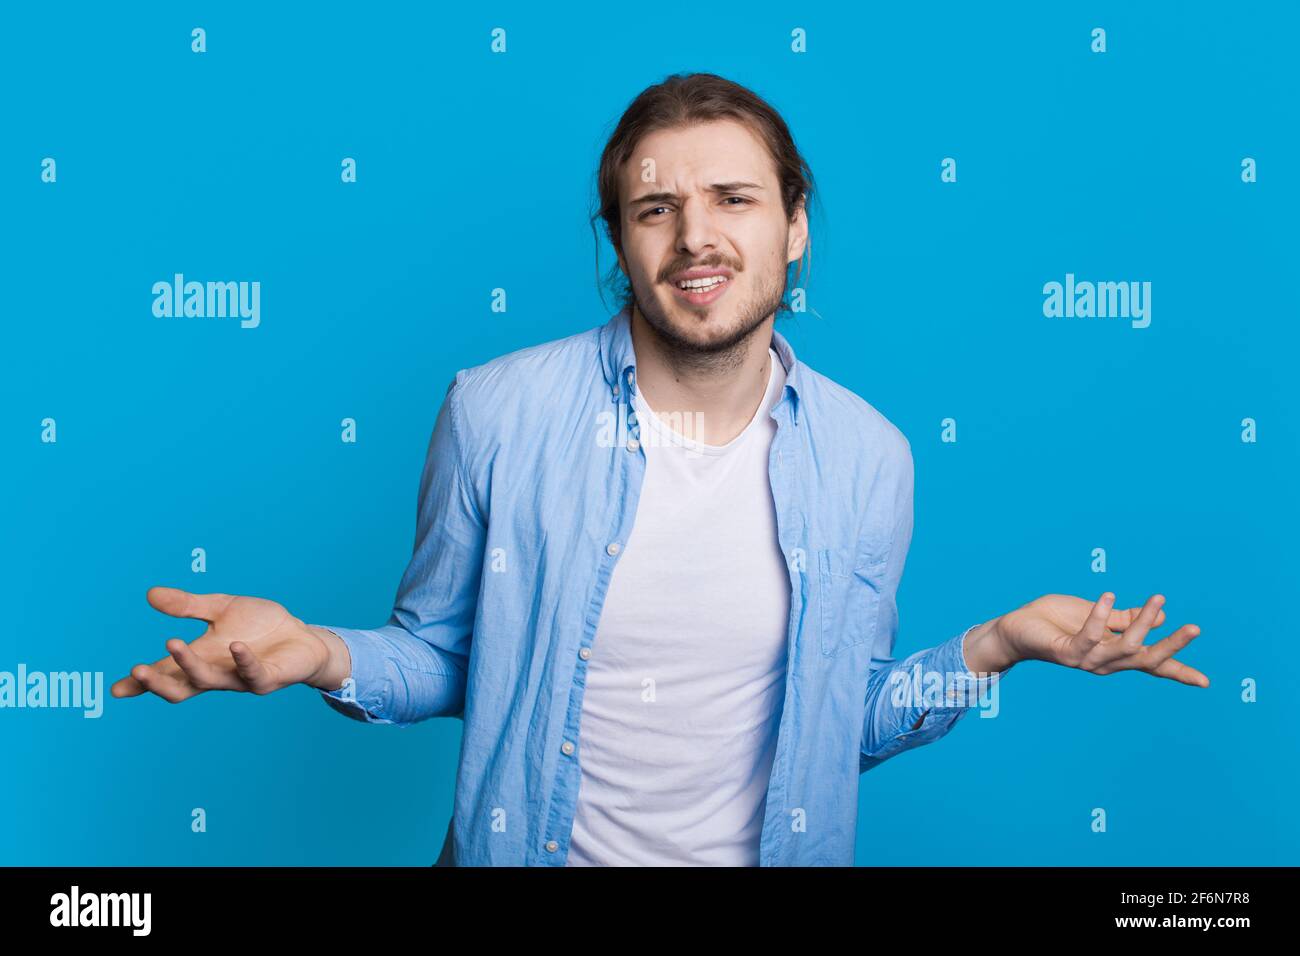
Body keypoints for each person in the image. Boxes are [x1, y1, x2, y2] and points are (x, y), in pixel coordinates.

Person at [111, 72, 1207, 867]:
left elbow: (833, 726)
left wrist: (993, 646)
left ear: (794, 227)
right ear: (620, 241)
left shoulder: (869, 458)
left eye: (733, 199)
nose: (697, 237)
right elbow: (452, 660)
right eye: (656, 207)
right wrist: (316, 652)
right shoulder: (494, 410)